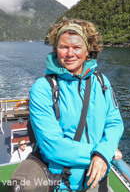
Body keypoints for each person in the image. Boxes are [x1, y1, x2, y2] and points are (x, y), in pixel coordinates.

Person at [29, 18, 124, 191]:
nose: (70, 53)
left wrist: (103, 152)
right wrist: (100, 153)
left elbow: (114, 123)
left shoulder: (101, 82)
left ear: (88, 51)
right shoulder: (43, 88)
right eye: (64, 47)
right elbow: (52, 146)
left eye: (77, 47)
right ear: (56, 49)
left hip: (98, 179)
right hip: (62, 184)